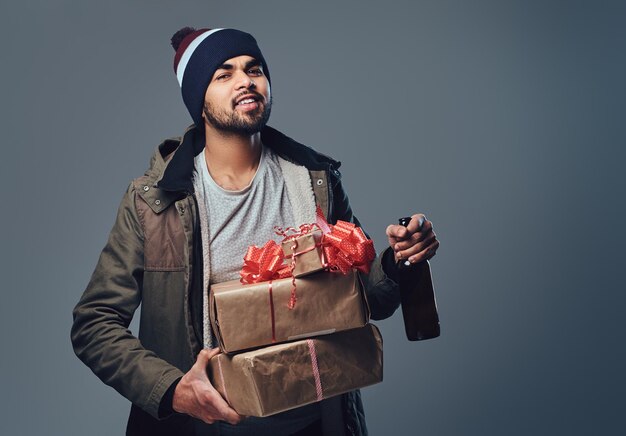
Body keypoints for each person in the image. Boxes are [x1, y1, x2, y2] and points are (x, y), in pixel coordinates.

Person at [71, 27, 440, 436]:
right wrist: (173, 390)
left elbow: (366, 300)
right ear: (200, 100)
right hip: (202, 429)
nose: (246, 80)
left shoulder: (314, 179)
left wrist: (398, 259)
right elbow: (94, 325)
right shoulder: (155, 204)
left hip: (315, 424)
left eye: (254, 69)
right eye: (223, 74)